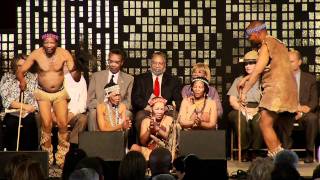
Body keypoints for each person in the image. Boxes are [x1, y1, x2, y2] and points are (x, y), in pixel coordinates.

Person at [238, 21, 298, 158]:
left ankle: (279, 160)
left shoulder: (267, 44)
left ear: (257, 33)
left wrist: (244, 92)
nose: (248, 39)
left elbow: (258, 70)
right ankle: (281, 158)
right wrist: (246, 79)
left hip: (276, 90)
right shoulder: (279, 44)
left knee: (264, 123)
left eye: (249, 36)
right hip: (288, 91)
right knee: (272, 125)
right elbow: (272, 67)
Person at [16, 31, 76, 167]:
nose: (49, 45)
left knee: (62, 123)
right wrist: (22, 80)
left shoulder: (64, 53)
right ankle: (47, 156)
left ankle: (62, 157)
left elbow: (75, 74)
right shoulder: (36, 54)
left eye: (52, 42)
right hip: (43, 93)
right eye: (46, 42)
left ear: (56, 43)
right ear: (42, 43)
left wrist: (75, 68)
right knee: (47, 124)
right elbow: (20, 71)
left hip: (60, 92)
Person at [132, 52, 182, 136]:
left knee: (175, 116)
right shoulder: (140, 79)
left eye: (160, 63)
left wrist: (167, 107)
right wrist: (147, 107)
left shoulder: (174, 80)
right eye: (154, 63)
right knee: (139, 116)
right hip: (147, 110)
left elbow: (179, 101)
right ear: (150, 64)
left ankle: (170, 145)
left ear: (165, 65)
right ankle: (144, 145)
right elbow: (135, 98)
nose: (157, 66)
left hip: (166, 111)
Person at [227, 50, 263, 161]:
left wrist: (257, 110)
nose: (247, 66)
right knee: (239, 118)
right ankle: (244, 150)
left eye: (251, 63)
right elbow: (232, 100)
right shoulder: (239, 80)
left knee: (260, 121)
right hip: (241, 108)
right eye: (246, 63)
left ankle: (255, 151)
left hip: (259, 108)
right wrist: (242, 109)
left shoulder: (264, 79)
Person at [87, 49, 134, 131]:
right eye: (111, 61)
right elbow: (90, 100)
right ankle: (94, 142)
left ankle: (120, 142)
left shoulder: (129, 79)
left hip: (118, 107)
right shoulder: (96, 76)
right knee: (93, 113)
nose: (113, 64)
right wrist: (103, 107)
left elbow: (128, 102)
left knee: (127, 113)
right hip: (100, 107)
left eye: (117, 62)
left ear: (121, 63)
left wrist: (117, 108)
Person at [0, 54, 39, 150]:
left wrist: (27, 109)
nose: (23, 68)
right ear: (14, 66)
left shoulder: (34, 78)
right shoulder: (7, 77)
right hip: (11, 112)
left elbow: (34, 102)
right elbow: (6, 101)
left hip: (28, 113)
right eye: (20, 66)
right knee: (11, 123)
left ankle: (29, 153)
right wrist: (23, 106)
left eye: (25, 65)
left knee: (29, 122)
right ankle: (12, 152)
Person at [289, 49, 318, 163]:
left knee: (313, 118)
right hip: (288, 112)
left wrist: (302, 112)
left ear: (299, 62)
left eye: (291, 61)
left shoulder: (310, 79)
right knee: (280, 119)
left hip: (305, 113)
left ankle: (310, 152)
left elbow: (314, 101)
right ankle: (286, 152)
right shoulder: (282, 79)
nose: (288, 64)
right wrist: (295, 109)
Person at [62, 59, 88, 147]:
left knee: (83, 119)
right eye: (63, 65)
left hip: (72, 113)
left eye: (67, 65)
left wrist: (72, 112)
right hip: (54, 113)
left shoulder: (80, 80)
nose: (65, 68)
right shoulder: (52, 78)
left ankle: (72, 145)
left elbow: (82, 103)